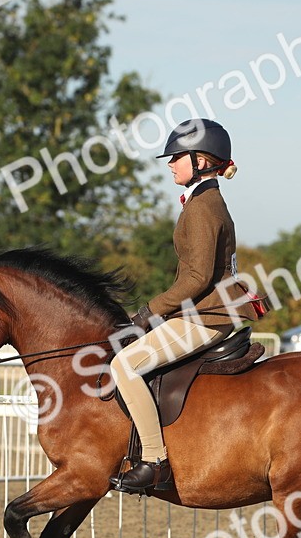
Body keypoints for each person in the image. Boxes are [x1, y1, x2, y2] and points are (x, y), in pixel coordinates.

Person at [109, 118, 260, 493]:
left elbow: (196, 279)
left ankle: (154, 460)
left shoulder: (203, 207)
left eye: (177, 156)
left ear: (203, 160)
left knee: (124, 365)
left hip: (209, 316)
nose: (170, 163)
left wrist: (148, 313)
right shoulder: (205, 201)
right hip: (207, 310)